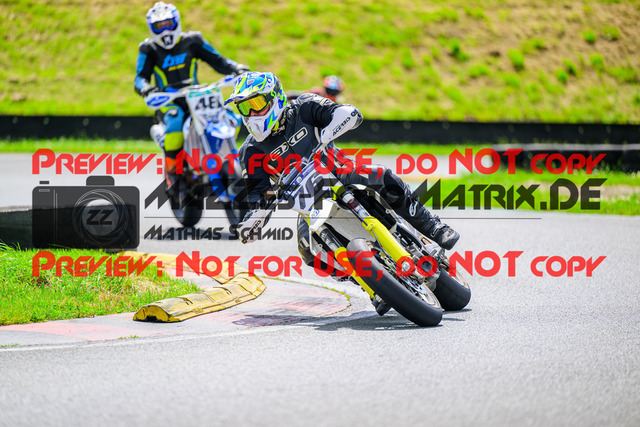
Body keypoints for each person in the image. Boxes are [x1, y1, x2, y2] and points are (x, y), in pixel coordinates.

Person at [226, 71, 459, 257]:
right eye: (245, 108)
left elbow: (347, 112)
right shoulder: (250, 150)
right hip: (307, 203)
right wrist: (255, 218)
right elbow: (257, 193)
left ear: (275, 97)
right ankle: (366, 279)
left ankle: (433, 226)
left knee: (383, 176)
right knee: (308, 252)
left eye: (256, 104)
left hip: (339, 170)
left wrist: (328, 131)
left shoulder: (304, 106)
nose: (252, 113)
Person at [134, 1, 249, 189]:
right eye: (159, 26)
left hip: (196, 96)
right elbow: (140, 78)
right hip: (168, 100)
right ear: (151, 28)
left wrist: (237, 68)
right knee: (175, 122)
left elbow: (218, 60)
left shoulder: (193, 40)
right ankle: (173, 172)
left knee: (228, 115)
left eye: (168, 24)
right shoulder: (148, 48)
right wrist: (146, 89)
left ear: (177, 22)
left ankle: (226, 155)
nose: (165, 30)